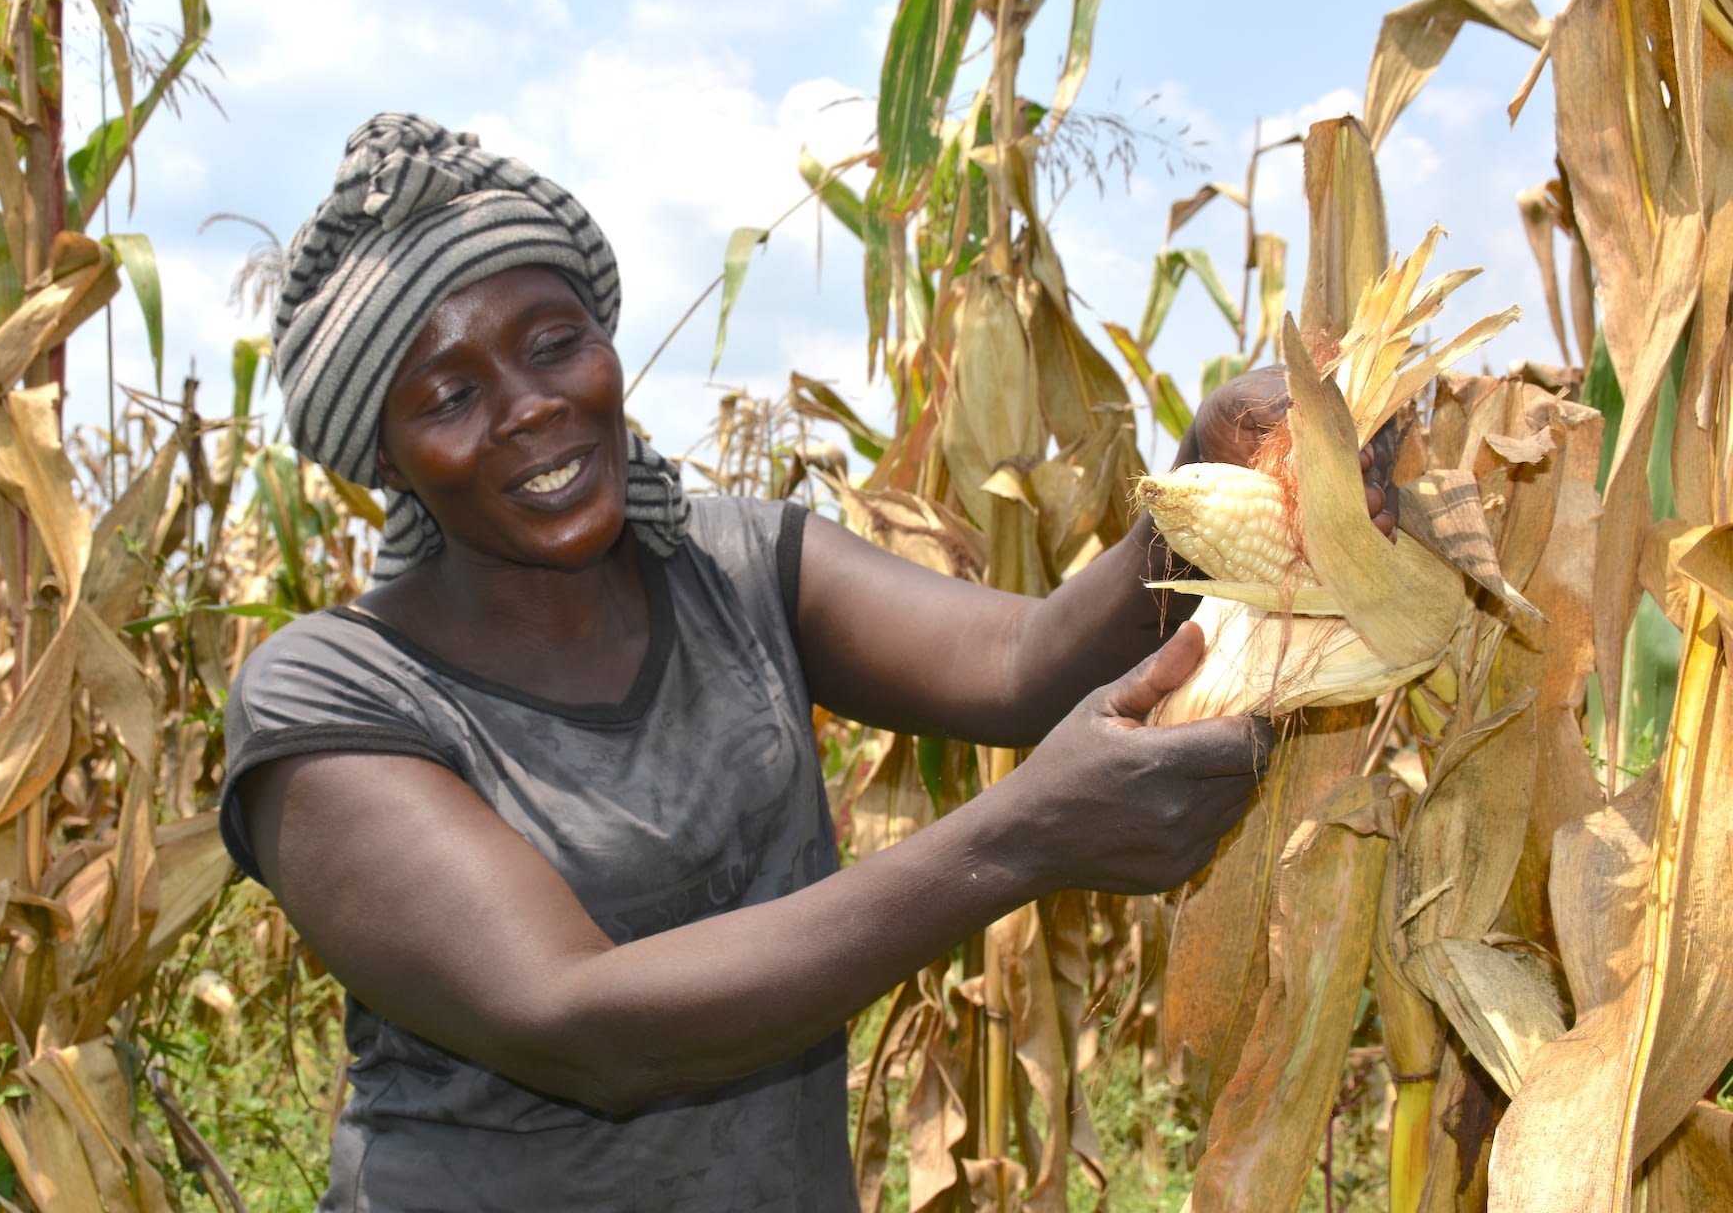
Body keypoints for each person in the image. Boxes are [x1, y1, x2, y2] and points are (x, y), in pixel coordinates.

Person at [218, 113, 1397, 1212]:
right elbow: (578, 1019)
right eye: (452, 395)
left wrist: (1215, 489)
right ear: (386, 454)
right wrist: (1020, 838)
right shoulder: (332, 697)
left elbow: (1020, 661)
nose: (529, 407)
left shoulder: (739, 567)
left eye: (554, 344)